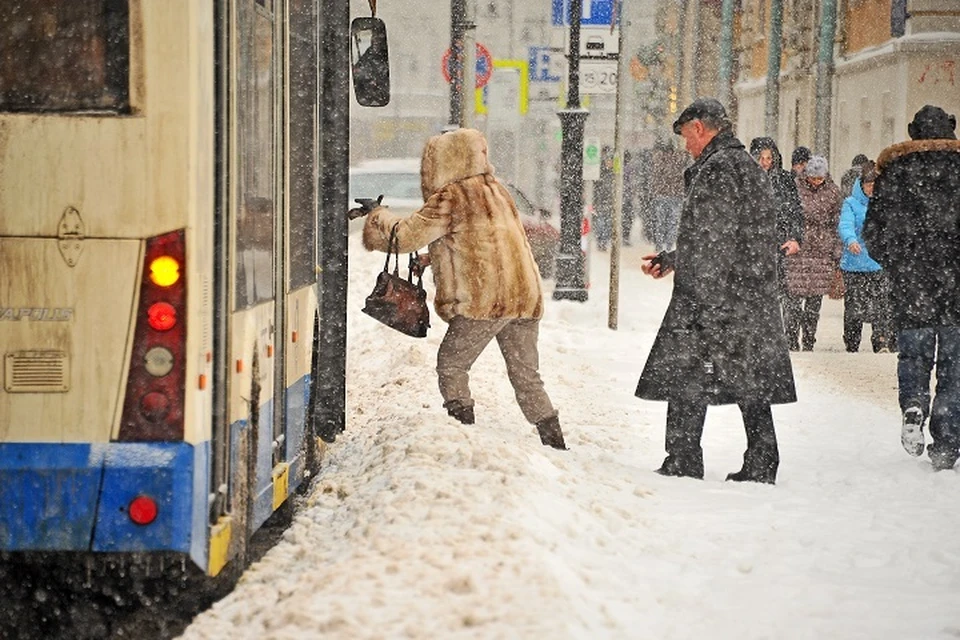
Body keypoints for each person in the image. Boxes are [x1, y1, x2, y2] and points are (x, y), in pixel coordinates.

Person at [354, 128, 567, 450]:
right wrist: (432, 257)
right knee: (526, 374)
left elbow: (404, 236)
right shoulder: (496, 190)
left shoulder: (452, 196)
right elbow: (484, 241)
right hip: (523, 295)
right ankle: (554, 441)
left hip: (486, 299)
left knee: (451, 365)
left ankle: (461, 433)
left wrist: (377, 215)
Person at [636, 98, 797, 484]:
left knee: (688, 372)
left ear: (699, 128)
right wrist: (674, 258)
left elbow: (713, 239)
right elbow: (720, 234)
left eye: (686, 136)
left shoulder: (719, 168)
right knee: (748, 377)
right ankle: (758, 460)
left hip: (716, 292)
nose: (685, 145)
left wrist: (700, 291)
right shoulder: (742, 167)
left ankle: (685, 457)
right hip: (745, 290)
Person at [863, 104, 960, 470]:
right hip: (957, 288)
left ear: (911, 132)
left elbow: (874, 231)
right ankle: (948, 441)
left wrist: (900, 266)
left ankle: (914, 404)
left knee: (914, 356)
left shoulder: (894, 172)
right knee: (955, 366)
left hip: (912, 285)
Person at [782, 155, 843, 351]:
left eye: (820, 177)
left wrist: (836, 250)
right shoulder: (794, 188)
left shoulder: (833, 192)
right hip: (798, 247)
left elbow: (836, 222)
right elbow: (788, 214)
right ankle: (791, 338)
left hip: (821, 250)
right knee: (793, 298)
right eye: (813, 177)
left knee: (814, 301)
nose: (816, 181)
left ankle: (809, 338)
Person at [837, 161, 895, 353]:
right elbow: (845, 225)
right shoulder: (850, 204)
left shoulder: (885, 204)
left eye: (874, 185)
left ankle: (881, 340)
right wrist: (851, 240)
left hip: (878, 263)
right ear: (861, 186)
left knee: (882, 305)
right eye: (868, 185)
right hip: (855, 263)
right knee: (854, 306)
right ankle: (852, 342)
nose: (871, 189)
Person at [749, 137, 804, 307]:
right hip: (752, 245)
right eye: (761, 158)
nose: (765, 162)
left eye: (768, 158)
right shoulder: (747, 181)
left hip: (778, 243)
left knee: (778, 294)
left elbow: (796, 210)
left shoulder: (785, 180)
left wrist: (795, 237)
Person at [593, 147, 615, 251]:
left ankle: (604, 242)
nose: (609, 162)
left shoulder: (613, 174)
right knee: (601, 222)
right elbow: (596, 188)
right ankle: (600, 241)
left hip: (609, 202)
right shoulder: (601, 173)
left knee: (607, 224)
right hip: (601, 202)